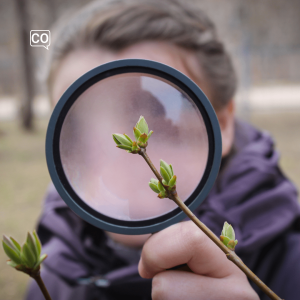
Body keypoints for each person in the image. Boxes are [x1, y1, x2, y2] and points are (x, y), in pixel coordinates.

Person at [25, 0, 300, 299]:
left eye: (157, 118)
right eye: (75, 130)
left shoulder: (291, 269)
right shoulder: (49, 279)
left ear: (221, 124)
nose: (113, 159)